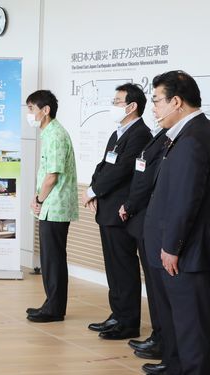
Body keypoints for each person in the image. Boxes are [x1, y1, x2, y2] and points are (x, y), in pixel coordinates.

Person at [143, 70, 210, 375]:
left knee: (190, 326)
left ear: (177, 102)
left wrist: (172, 246)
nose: (153, 108)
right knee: (177, 322)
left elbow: (185, 199)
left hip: (184, 253)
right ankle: (175, 366)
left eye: (156, 100)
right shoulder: (183, 135)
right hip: (172, 248)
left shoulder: (194, 138)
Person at [82, 83, 151, 340]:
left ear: (132, 106)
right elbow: (104, 164)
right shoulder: (118, 133)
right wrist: (92, 188)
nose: (113, 105)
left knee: (124, 267)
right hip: (107, 208)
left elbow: (121, 170)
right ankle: (117, 315)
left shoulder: (140, 134)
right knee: (113, 266)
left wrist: (93, 192)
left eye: (117, 101)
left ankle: (128, 322)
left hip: (121, 211)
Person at [25, 90, 78, 323]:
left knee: (53, 259)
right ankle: (51, 303)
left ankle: (55, 309)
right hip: (49, 205)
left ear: (44, 110)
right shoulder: (49, 133)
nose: (29, 114)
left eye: (31, 109)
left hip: (54, 207)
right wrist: (37, 198)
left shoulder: (55, 134)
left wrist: (38, 199)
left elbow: (52, 176)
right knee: (49, 258)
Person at [119, 125, 168, 361]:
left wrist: (129, 205)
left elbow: (147, 178)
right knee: (153, 285)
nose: (156, 107)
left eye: (159, 101)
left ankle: (163, 339)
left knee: (158, 286)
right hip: (143, 217)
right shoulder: (160, 134)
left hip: (149, 215)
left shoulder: (170, 136)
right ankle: (159, 335)